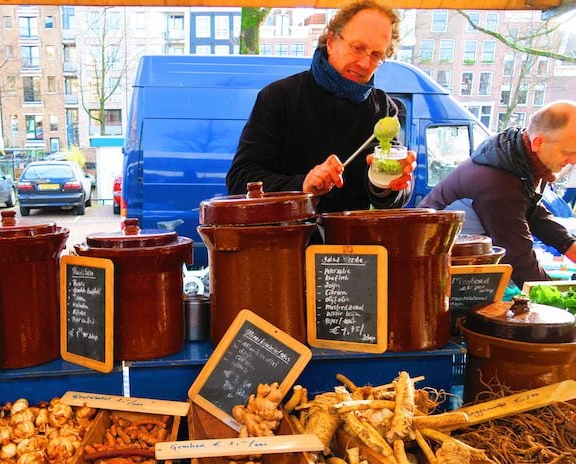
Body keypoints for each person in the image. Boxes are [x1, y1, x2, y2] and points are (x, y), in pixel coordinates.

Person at [226, 0, 415, 213]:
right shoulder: (278, 97)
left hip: (350, 243)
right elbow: (240, 179)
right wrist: (302, 186)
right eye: (357, 48)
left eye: (375, 55)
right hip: (285, 239)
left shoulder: (383, 109)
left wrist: (390, 182)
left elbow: (394, 197)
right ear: (332, 41)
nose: (364, 64)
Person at [419, 100, 576, 288]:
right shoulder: (499, 184)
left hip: (467, 263)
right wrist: (556, 302)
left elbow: (532, 213)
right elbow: (519, 261)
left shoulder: (521, 160)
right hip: (436, 269)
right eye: (568, 152)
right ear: (538, 142)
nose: (573, 161)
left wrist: (568, 245)